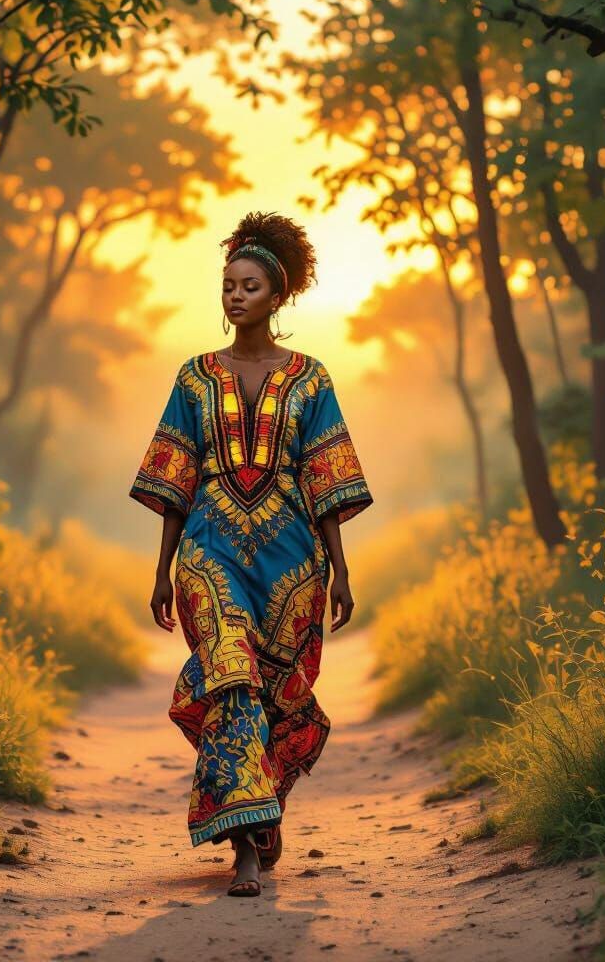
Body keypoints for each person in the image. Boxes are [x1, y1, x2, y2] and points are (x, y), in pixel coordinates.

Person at [129, 211, 373, 897]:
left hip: (294, 566)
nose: (235, 296)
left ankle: (261, 812)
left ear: (278, 296)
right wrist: (161, 568)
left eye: (250, 286)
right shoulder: (193, 377)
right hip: (207, 555)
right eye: (228, 285)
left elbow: (326, 478)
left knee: (272, 696)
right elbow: (175, 480)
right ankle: (242, 852)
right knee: (230, 678)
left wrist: (342, 569)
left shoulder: (311, 379)